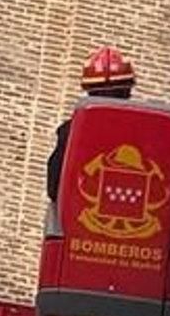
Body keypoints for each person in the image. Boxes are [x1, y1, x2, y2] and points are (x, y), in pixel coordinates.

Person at [46, 46, 136, 204]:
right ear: (127, 92)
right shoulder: (146, 134)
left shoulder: (70, 131)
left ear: (89, 93)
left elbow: (53, 188)